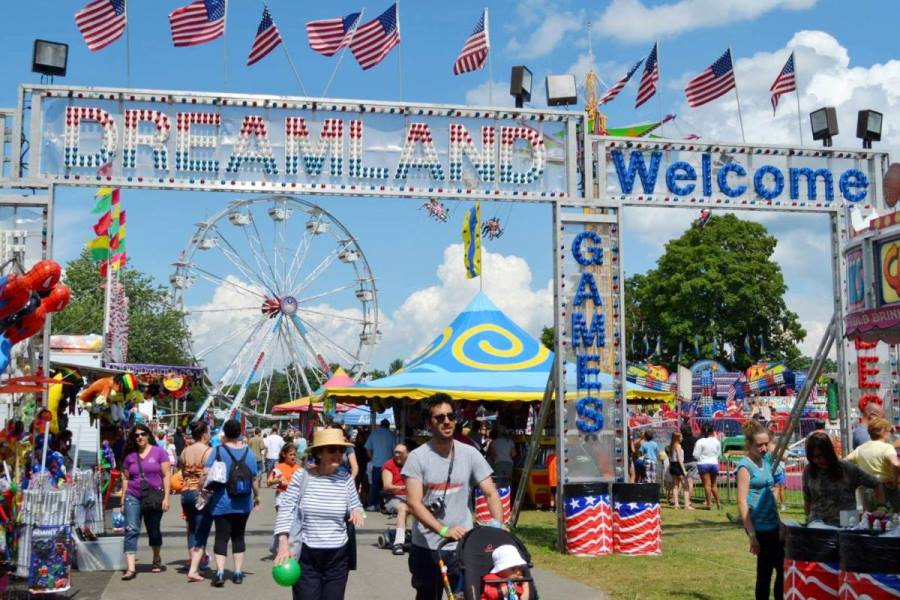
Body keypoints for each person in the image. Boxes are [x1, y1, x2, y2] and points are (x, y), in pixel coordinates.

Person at [403, 393, 504, 600]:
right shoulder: (417, 458)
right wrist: (443, 530)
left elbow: (490, 493)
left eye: (451, 416)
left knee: (466, 596)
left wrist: (498, 528)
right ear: (428, 424)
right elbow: (413, 503)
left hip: (463, 548)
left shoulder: (470, 453)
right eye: (439, 418)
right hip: (427, 547)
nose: (447, 421)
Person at [273, 428, 364, 600]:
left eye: (341, 450)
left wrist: (356, 510)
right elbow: (286, 509)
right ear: (319, 453)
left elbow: (355, 504)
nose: (338, 454)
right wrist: (283, 543)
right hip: (307, 555)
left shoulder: (345, 478)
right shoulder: (302, 476)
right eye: (332, 450)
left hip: (338, 556)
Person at [205, 419, 260, 587]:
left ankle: (220, 572)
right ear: (239, 433)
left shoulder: (218, 451)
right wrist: (257, 497)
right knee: (238, 536)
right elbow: (255, 479)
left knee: (221, 537)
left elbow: (207, 474)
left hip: (221, 501)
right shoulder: (249, 453)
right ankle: (237, 572)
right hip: (243, 502)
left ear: (225, 433)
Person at [736, 420, 783, 600]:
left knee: (782, 568)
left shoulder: (766, 461)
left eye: (766, 444)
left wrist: (779, 522)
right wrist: (752, 535)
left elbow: (770, 496)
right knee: (765, 573)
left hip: (773, 524)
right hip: (760, 527)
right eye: (759, 445)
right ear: (749, 444)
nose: (764, 448)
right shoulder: (745, 466)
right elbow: (741, 502)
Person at [119, 423, 172, 580]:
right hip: (133, 495)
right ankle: (131, 568)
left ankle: (156, 558)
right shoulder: (129, 457)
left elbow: (166, 475)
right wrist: (122, 500)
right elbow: (125, 479)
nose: (140, 437)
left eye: (142, 434)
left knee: (153, 530)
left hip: (154, 496)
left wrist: (166, 497)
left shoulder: (159, 453)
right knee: (131, 529)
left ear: (148, 435)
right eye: (136, 435)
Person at [803, 431, 882, 526]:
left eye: (820, 456)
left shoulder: (848, 469)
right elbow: (807, 499)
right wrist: (807, 520)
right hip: (818, 523)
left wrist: (881, 507)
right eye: (813, 457)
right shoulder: (809, 471)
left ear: (828, 453)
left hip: (847, 522)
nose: (817, 460)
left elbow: (877, 483)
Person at [845, 417, 900, 511]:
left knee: (870, 521)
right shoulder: (887, 448)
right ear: (884, 432)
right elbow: (896, 464)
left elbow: (844, 462)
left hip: (866, 492)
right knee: (890, 521)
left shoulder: (860, 449)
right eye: (889, 431)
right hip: (886, 491)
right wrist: (895, 482)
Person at [181, 421, 213, 580]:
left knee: (191, 528)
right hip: (200, 493)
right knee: (201, 530)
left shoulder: (185, 451)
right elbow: (209, 475)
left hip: (185, 492)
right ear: (205, 434)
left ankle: (193, 562)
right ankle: (195, 568)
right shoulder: (208, 451)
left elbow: (182, 472)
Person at [382, 443, 410, 555]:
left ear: (408, 453)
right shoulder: (389, 465)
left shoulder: (413, 464)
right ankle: (398, 543)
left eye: (400, 453)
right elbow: (387, 486)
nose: (397, 455)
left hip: (411, 496)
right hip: (393, 497)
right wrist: (404, 487)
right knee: (403, 508)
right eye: (395, 452)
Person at [364, 419, 396, 511]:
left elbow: (367, 448)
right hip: (389, 465)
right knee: (387, 486)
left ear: (380, 425)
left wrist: (372, 458)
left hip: (377, 463)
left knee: (375, 485)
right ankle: (386, 505)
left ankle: (374, 504)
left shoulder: (374, 434)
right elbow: (395, 450)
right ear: (388, 426)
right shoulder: (392, 435)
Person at [693, 424, 722, 510]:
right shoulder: (716, 441)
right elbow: (719, 453)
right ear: (712, 431)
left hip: (703, 464)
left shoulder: (700, 441)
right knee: (714, 485)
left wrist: (701, 458)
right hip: (714, 463)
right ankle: (718, 503)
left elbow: (695, 454)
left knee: (707, 485)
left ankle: (709, 504)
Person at [679, 423, 697, 510]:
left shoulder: (681, 441)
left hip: (683, 462)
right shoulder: (694, 439)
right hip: (692, 461)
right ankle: (688, 501)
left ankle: (675, 498)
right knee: (690, 482)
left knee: (681, 482)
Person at [667, 431, 686, 509]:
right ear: (677, 438)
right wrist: (684, 470)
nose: (682, 438)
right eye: (681, 437)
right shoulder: (678, 446)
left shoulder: (671, 446)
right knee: (685, 484)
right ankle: (686, 503)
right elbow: (680, 459)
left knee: (675, 486)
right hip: (677, 465)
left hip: (672, 465)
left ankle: (676, 504)